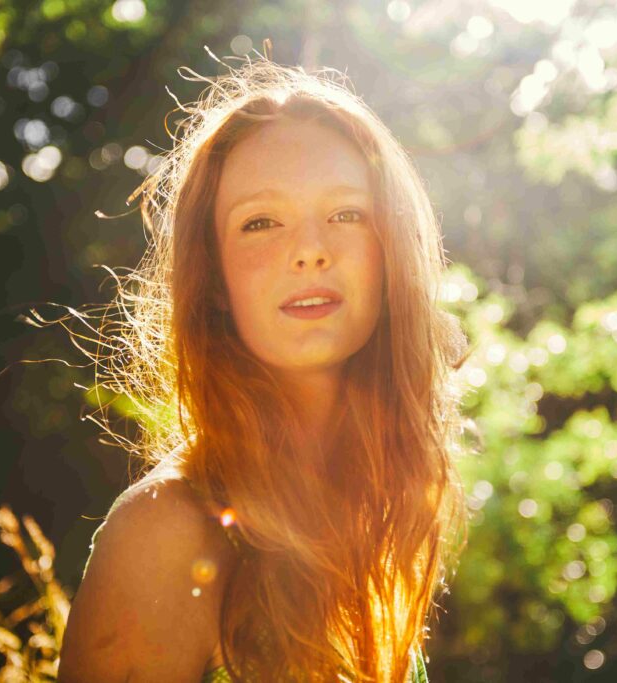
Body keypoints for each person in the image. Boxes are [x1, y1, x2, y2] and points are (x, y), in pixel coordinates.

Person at [56, 50, 470, 683]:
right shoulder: (164, 533)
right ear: (214, 278)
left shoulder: (373, 505)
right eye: (261, 222)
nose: (309, 250)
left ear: (393, 251)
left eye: (346, 214)